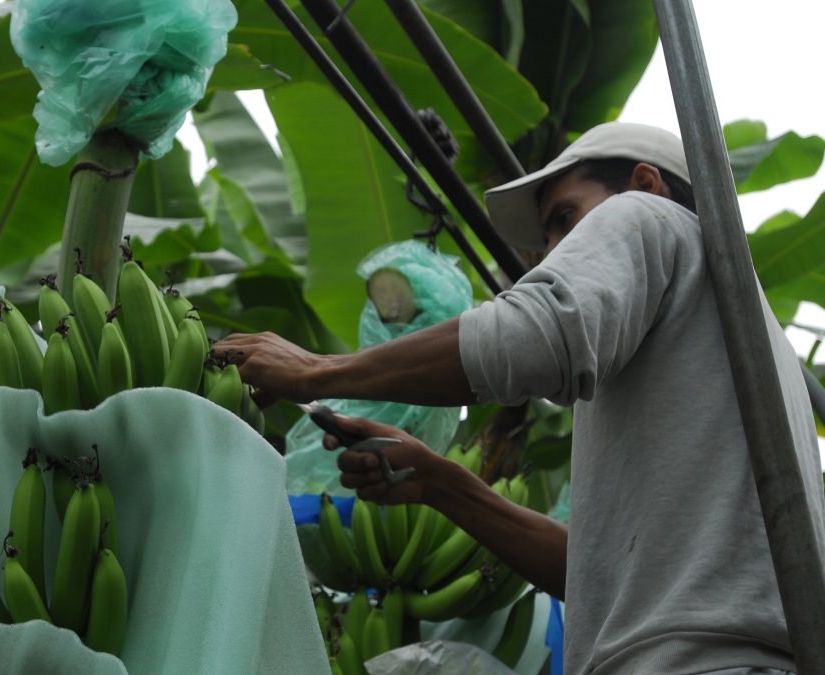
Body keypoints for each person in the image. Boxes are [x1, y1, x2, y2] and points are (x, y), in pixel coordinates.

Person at [211, 122, 825, 675]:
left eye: (566, 216)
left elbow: (536, 332)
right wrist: (441, 482)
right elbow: (596, 577)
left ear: (646, 184)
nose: (554, 254)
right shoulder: (751, 365)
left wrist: (319, 369)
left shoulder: (649, 216)